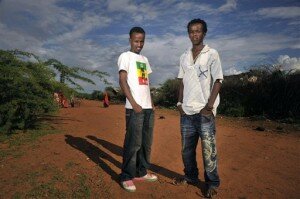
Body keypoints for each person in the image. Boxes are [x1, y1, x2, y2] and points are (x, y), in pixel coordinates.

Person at [176, 19, 223, 198]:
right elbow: (181, 81)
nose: (194, 34)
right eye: (191, 31)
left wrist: (209, 106)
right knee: (186, 150)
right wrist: (179, 104)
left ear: (204, 33)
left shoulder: (212, 54)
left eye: (198, 31)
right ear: (188, 34)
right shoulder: (184, 56)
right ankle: (191, 177)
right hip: (186, 112)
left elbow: (218, 80)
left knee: (208, 150)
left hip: (204, 112)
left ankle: (212, 183)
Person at [118, 26, 157, 192]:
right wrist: (133, 103)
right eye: (136, 41)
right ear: (130, 40)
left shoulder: (145, 59)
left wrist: (152, 103)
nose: (139, 44)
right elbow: (122, 81)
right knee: (133, 143)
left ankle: (141, 172)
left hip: (147, 107)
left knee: (145, 144)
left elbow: (146, 83)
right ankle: (126, 176)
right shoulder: (125, 56)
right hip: (134, 108)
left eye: (142, 41)